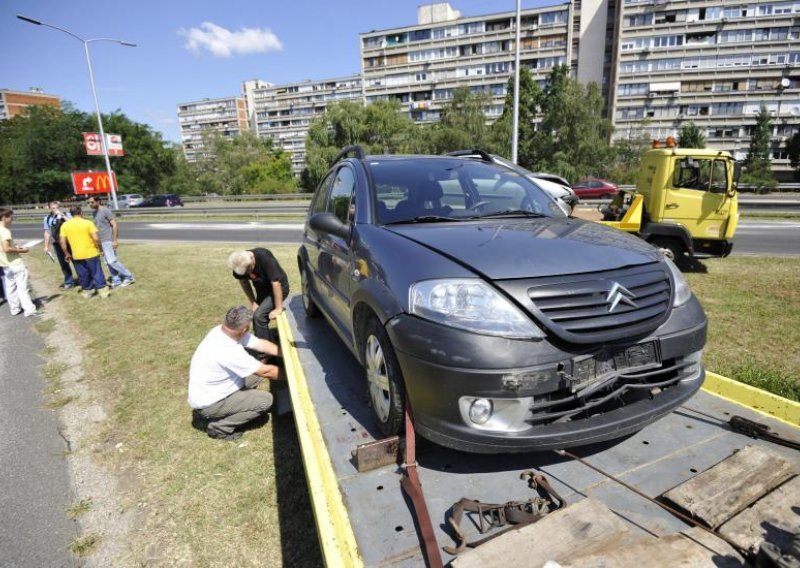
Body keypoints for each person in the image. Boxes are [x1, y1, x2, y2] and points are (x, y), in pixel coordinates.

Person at [188, 305, 283, 441]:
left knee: (254, 375)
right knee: (266, 401)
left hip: (212, 390)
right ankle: (220, 428)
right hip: (211, 404)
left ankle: (240, 400)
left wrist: (285, 353)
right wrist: (295, 377)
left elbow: (260, 344)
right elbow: (266, 372)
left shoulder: (222, 331)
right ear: (244, 329)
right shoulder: (229, 350)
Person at [228, 248, 290, 341]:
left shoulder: (264, 257)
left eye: (249, 268)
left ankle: (265, 353)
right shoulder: (239, 263)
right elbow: (244, 282)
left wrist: (278, 308)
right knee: (255, 315)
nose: (248, 273)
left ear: (252, 257)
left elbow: (276, 283)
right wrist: (253, 302)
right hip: (262, 289)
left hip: (279, 288)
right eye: (246, 271)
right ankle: (268, 340)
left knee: (259, 316)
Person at [59, 205, 110, 299]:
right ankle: (103, 292)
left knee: (83, 274)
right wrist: (101, 249)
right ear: (81, 213)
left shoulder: (65, 225)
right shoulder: (88, 223)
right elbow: (96, 239)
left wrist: (67, 253)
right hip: (91, 253)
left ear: (71, 214)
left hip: (77, 255)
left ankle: (87, 292)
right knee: (96, 272)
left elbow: (62, 242)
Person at [87, 197, 135, 287]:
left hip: (108, 239)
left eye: (92, 202)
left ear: (98, 201)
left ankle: (129, 276)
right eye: (88, 203)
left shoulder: (105, 211)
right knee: (107, 262)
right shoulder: (94, 213)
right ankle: (116, 280)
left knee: (112, 261)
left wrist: (114, 240)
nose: (90, 204)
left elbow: (114, 225)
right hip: (101, 241)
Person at [0, 209, 40, 317]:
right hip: (15, 263)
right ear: (4, 217)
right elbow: (6, 249)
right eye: (10, 217)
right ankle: (29, 310)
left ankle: (15, 308)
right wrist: (22, 250)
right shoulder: (5, 231)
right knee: (22, 287)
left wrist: (15, 246)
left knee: (10, 288)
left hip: (4, 264)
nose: (12, 219)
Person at [43, 201, 76, 289]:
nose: (56, 210)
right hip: (57, 243)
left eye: (57, 208)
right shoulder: (47, 218)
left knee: (76, 261)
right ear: (49, 209)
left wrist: (62, 215)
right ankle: (69, 281)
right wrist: (46, 246)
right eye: (53, 208)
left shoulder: (66, 214)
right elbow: (47, 232)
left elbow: (72, 223)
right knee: (63, 263)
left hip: (69, 242)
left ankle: (84, 278)